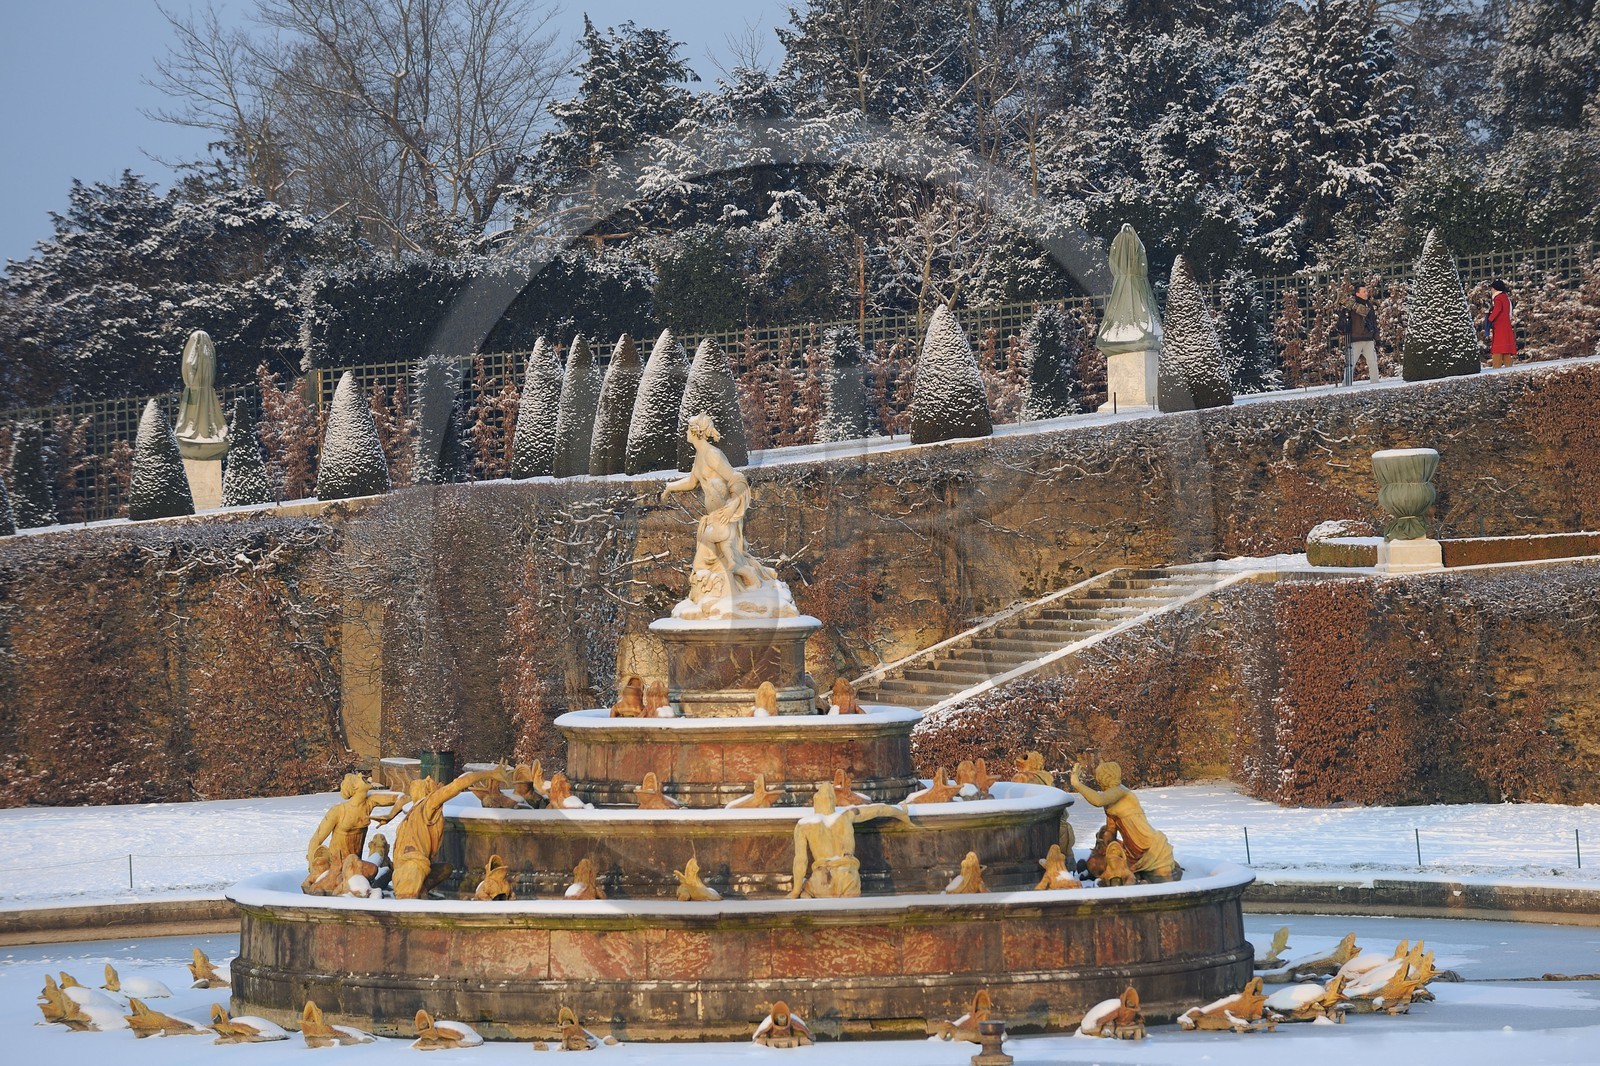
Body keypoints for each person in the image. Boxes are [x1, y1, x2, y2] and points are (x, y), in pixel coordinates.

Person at [1338, 283, 1381, 386]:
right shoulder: (1350, 306)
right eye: (1364, 291)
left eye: (1366, 291)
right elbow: (1343, 322)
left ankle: (1375, 384)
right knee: (1350, 364)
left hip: (1368, 338)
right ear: (1357, 293)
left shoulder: (1368, 305)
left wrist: (1377, 337)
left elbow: (1374, 322)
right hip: (1354, 338)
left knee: (1373, 362)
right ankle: (1346, 385)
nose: (1367, 293)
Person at [1485, 279, 1517, 369]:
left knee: (1498, 348)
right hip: (1505, 324)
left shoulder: (1498, 297)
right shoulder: (1505, 297)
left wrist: (1490, 318)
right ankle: (1508, 367)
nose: (1491, 290)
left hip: (1499, 326)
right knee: (1505, 349)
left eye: (1492, 288)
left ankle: (1496, 367)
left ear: (1495, 289)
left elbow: (1498, 309)